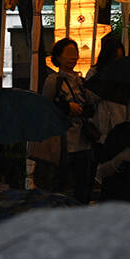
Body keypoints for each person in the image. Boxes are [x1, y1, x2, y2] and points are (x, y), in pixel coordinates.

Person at [43, 38, 96, 204]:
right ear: (58, 57)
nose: (73, 57)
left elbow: (91, 108)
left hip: (83, 140)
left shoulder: (81, 81)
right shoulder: (53, 81)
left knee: (82, 183)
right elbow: (46, 107)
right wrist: (66, 107)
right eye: (69, 54)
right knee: (61, 182)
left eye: (75, 54)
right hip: (62, 141)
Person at [86, 33, 127, 144]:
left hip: (120, 124)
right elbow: (89, 97)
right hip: (100, 126)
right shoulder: (94, 73)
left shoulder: (125, 75)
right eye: (114, 58)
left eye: (120, 58)